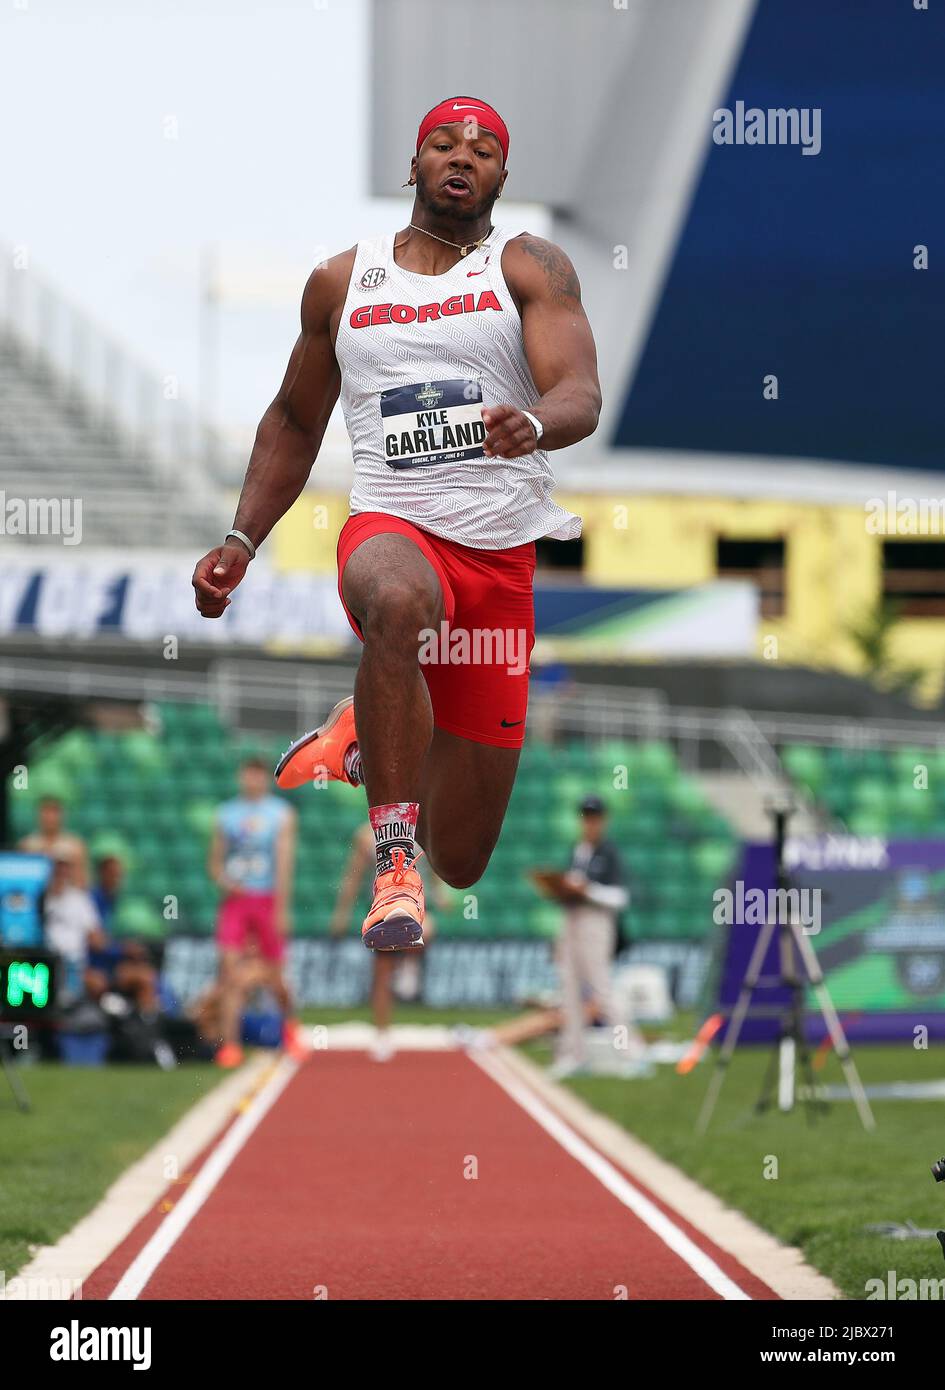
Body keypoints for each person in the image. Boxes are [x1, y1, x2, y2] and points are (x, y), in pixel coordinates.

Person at [192, 95, 601, 957]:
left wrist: (535, 419)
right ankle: (390, 864)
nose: (463, 157)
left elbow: (580, 392)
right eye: (443, 145)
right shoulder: (343, 281)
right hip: (393, 523)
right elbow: (296, 420)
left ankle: (358, 735)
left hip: (496, 558)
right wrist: (241, 540)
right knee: (396, 598)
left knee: (463, 855)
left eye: (484, 148)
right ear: (412, 166)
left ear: (502, 174)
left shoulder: (528, 266)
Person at [207, 758, 305, 1067]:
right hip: (237, 901)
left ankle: (290, 1031)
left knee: (276, 977)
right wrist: (225, 881)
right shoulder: (227, 814)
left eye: (258, 775)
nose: (252, 780)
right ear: (241, 777)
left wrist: (282, 908)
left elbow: (284, 863)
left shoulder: (280, 814)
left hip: (267, 898)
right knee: (231, 972)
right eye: (248, 775)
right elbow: (215, 862)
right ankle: (230, 1045)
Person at [330, 822, 450, 1060]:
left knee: (426, 930)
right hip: (382, 907)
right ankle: (382, 1033)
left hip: (414, 904)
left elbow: (432, 867)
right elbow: (353, 877)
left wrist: (440, 894)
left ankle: (409, 965)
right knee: (382, 972)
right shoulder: (366, 836)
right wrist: (341, 914)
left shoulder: (420, 831)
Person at [550, 795, 643, 1079]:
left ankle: (632, 1053)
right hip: (572, 919)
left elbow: (620, 897)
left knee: (601, 989)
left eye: (594, 818)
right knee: (569, 988)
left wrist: (587, 890)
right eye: (585, 817)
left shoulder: (609, 852)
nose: (589, 823)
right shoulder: (576, 851)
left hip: (596, 921)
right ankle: (572, 1054)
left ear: (602, 821)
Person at [42, 854, 104, 1005]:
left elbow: (97, 939)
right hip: (42, 964)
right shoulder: (40, 898)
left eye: (65, 869)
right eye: (58, 869)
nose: (61, 873)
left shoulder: (80, 899)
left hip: (74, 964)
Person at [19, 797, 89, 888]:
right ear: (38, 814)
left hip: (68, 897)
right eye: (46, 811)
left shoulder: (76, 846)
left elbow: (82, 883)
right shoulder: (26, 845)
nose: (50, 817)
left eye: (54, 811)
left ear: (63, 815)